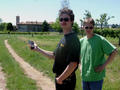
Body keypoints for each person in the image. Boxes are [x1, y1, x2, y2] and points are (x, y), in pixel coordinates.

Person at [29, 8, 80, 90]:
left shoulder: (73, 39)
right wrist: (37, 49)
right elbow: (54, 55)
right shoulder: (64, 38)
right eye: (61, 19)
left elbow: (73, 64)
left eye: (66, 19)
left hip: (66, 81)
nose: (63, 21)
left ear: (72, 21)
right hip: (61, 79)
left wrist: (60, 79)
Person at [79, 17, 117, 90]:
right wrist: (80, 65)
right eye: (86, 27)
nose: (88, 29)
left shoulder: (100, 39)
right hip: (84, 77)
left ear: (94, 27)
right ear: (83, 27)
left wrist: (103, 66)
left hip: (96, 78)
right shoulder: (81, 41)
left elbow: (114, 52)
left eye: (91, 27)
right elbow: (78, 55)